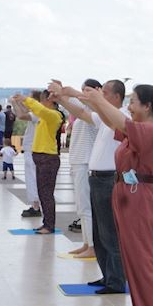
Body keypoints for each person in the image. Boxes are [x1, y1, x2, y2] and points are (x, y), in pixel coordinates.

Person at [78, 82, 153, 306]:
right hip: (127, 195)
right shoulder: (137, 130)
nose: (130, 106)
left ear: (147, 106)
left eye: (134, 102)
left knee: (142, 264)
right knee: (131, 262)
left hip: (139, 198)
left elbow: (121, 122)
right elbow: (113, 122)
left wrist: (99, 100)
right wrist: (95, 102)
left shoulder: (149, 130)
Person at [55, 79, 128, 293]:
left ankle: (115, 279)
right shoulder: (105, 116)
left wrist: (77, 94)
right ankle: (108, 276)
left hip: (109, 178)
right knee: (99, 233)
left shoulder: (121, 115)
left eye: (104, 93)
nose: (101, 96)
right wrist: (63, 98)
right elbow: (83, 114)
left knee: (109, 233)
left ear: (115, 97)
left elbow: (93, 110)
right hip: (97, 178)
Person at [60, 79, 103, 258]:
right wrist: (62, 94)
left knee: (86, 207)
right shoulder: (87, 110)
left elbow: (78, 103)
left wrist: (67, 92)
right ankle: (87, 243)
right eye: (83, 90)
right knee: (82, 207)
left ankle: (92, 246)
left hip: (85, 162)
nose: (84, 94)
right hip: (79, 162)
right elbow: (74, 105)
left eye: (88, 90)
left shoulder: (96, 110)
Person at [17, 90, 65, 234]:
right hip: (41, 158)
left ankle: (49, 225)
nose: (41, 104)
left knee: (46, 194)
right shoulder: (44, 117)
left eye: (42, 101)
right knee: (43, 193)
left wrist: (26, 99)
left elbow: (40, 109)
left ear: (50, 101)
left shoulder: (54, 116)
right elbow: (34, 111)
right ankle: (46, 222)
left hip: (48, 159)